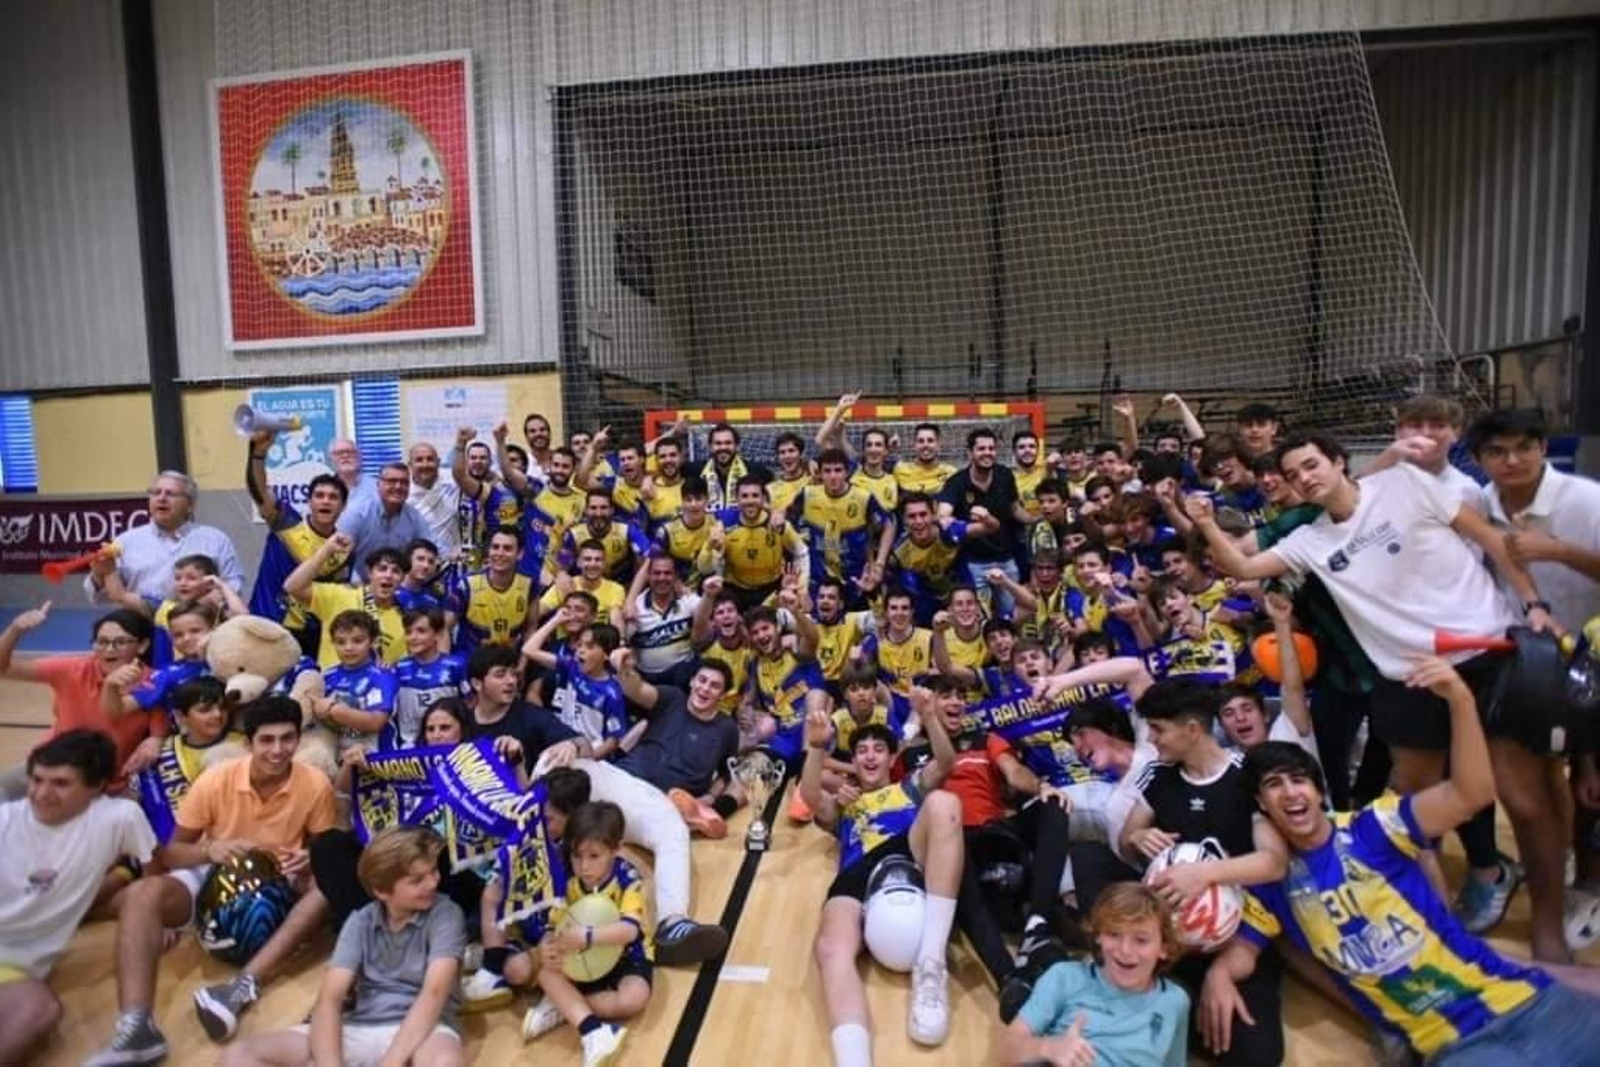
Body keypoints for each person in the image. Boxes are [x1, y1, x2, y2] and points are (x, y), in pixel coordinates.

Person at [1187, 431, 1567, 960]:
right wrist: (1206, 523)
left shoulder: (1403, 484)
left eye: (1311, 465)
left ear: (1339, 461)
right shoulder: (1309, 540)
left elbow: (1487, 536)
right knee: (1414, 807)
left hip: (1486, 653)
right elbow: (1245, 567)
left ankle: (1548, 928)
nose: (1303, 478)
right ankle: (1430, 923)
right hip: (1409, 678)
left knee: (1524, 799)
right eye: (1294, 474)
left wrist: (1533, 603)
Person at [1211, 659, 1600, 1065]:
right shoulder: (1269, 883)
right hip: (1464, 1048)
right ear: (1261, 805)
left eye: (1298, 780)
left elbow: (1471, 794)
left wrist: (1461, 700)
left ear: (1318, 790)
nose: (1290, 793)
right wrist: (1220, 974)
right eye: (1274, 785)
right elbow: (1244, 951)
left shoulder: (1373, 826)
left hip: (1535, 1003)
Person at [86, 697, 338, 1062]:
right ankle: (136, 1026)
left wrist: (310, 856)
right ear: (248, 743)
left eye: (287, 739)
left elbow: (323, 849)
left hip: (278, 877)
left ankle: (241, 986)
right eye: (267, 740)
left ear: (299, 740)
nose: (278, 750)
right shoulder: (216, 779)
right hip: (212, 872)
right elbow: (172, 853)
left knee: (326, 887)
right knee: (143, 892)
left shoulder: (315, 784)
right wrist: (210, 850)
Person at [223, 824, 467, 1067]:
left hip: (426, 1030)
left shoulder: (446, 915)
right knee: (237, 1056)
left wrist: (390, 1063)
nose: (432, 883)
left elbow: (434, 994)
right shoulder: (360, 922)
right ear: (382, 891)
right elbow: (329, 1000)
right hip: (360, 1025)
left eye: (433, 871)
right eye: (417, 880)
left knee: (444, 1062)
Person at [805, 692, 962, 1063]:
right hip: (856, 871)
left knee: (944, 803)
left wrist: (929, 716)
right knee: (830, 949)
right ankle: (853, 1059)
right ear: (853, 762)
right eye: (861, 751)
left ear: (892, 759)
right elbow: (811, 795)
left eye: (878, 749)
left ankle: (931, 963)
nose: (870, 755)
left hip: (906, 853)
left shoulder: (909, 787)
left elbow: (946, 762)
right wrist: (816, 747)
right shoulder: (845, 802)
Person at [0, 731, 158, 1065]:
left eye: (60, 783)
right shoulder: (5, 820)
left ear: (96, 786)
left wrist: (155, 920)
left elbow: (155, 869)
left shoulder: (120, 818)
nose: (42, 793)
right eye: (37, 780)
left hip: (14, 969)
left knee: (39, 1010)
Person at [504, 801, 648, 1065]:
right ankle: (593, 1031)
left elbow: (629, 930)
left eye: (594, 856)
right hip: (578, 961)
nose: (584, 866)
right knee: (544, 972)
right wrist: (548, 946)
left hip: (625, 958)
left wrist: (589, 936)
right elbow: (553, 927)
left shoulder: (627, 877)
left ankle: (566, 1007)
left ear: (616, 849)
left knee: (633, 999)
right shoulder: (567, 880)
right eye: (577, 856)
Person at [1000, 882, 1190, 1067]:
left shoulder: (1175, 1001)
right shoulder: (1065, 977)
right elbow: (1006, 1049)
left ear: (1164, 948)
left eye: (1141, 940)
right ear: (1098, 935)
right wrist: (1050, 1048)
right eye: (1114, 934)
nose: (1125, 950)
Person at [0, 604, 156, 800]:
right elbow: (4, 669)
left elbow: (160, 732)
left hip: (110, 787)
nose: (109, 649)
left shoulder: (155, 682)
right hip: (51, 768)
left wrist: (156, 739)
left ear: (142, 645)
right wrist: (15, 630)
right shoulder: (71, 668)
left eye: (121, 642)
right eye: (102, 642)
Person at [84, 470, 244, 606]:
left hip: (199, 624)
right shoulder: (126, 541)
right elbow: (98, 598)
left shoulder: (215, 539)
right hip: (141, 624)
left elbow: (234, 585)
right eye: (156, 493)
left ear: (190, 505)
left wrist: (204, 604)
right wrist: (99, 574)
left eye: (171, 494)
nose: (161, 498)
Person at [245, 430, 350, 630]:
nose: (325, 501)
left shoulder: (342, 550)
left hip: (310, 637)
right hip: (266, 625)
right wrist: (257, 455)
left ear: (343, 506)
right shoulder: (286, 522)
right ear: (309, 502)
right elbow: (259, 491)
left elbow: (332, 600)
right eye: (319, 495)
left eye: (333, 497)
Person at [940, 428, 1028, 617]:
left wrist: (1035, 520)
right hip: (974, 563)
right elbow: (943, 513)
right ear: (970, 452)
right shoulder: (957, 482)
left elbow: (1014, 509)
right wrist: (946, 518)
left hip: (1006, 559)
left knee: (1011, 615)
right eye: (981, 448)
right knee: (979, 617)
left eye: (991, 448)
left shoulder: (1005, 475)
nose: (987, 452)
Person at [285, 535, 407, 668]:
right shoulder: (340, 595)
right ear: (369, 572)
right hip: (328, 680)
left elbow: (395, 667)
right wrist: (327, 550)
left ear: (402, 579)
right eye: (382, 569)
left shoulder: (403, 621)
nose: (388, 575)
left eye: (396, 571)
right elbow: (292, 587)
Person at [450, 525, 536, 656]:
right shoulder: (466, 585)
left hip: (509, 662)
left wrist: (522, 665)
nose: (500, 553)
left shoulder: (529, 585)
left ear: (520, 554)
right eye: (495, 547)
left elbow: (531, 627)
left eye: (507, 548)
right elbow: (444, 629)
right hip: (469, 661)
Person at [389, 608, 469, 750]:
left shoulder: (456, 666)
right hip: (409, 748)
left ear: (437, 635)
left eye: (421, 631)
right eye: (408, 632)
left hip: (449, 746)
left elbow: (469, 704)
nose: (413, 637)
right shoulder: (397, 669)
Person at [621, 552, 701, 688]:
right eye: (656, 573)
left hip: (683, 671)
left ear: (675, 577)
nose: (662, 578)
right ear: (648, 576)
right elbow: (624, 642)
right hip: (648, 678)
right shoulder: (635, 608)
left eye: (667, 573)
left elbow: (711, 614)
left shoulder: (687, 599)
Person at [451, 427, 521, 568]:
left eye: (483, 458)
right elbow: (459, 474)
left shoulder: (502, 489)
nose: (478, 461)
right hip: (465, 556)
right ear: (466, 461)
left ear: (490, 461)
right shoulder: (453, 488)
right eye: (473, 458)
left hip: (497, 554)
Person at [405, 439, 462, 559]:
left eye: (430, 459)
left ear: (438, 462)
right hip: (421, 561)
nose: (425, 464)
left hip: (455, 556)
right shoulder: (403, 492)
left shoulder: (454, 479)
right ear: (410, 465)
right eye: (419, 460)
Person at [894, 422, 957, 496]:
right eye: (921, 441)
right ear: (914, 445)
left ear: (938, 444)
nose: (925, 445)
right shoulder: (899, 470)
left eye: (930, 440)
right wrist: (888, 447)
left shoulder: (952, 474)